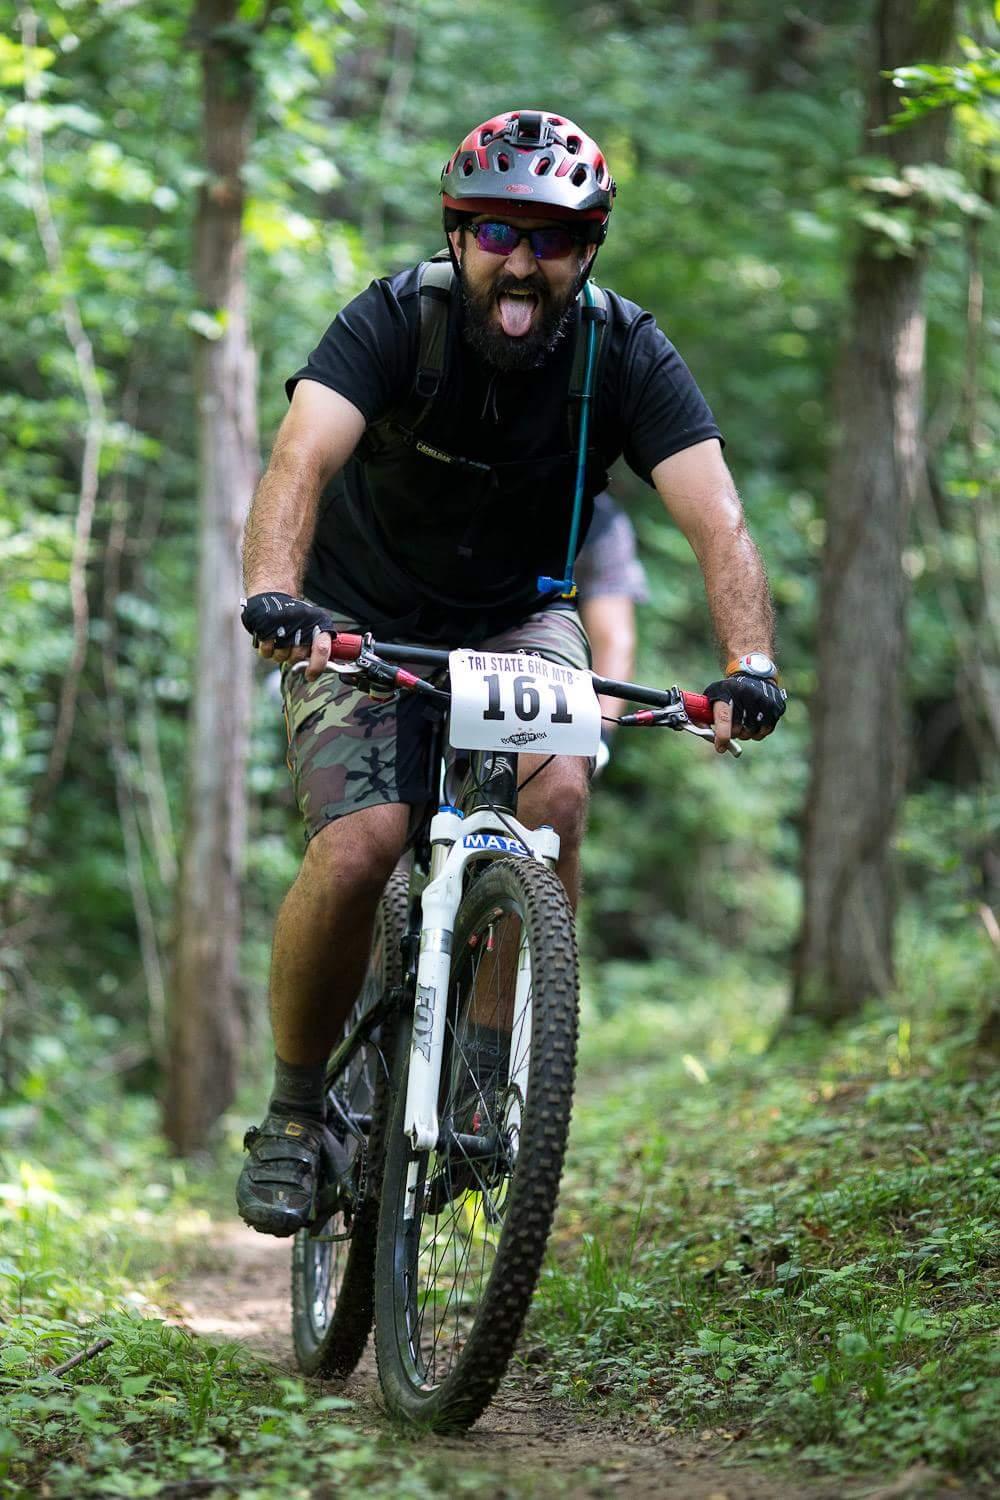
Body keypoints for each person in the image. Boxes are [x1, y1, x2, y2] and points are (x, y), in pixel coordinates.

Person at [236, 109, 785, 1236]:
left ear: (589, 250)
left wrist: (749, 659)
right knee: (360, 849)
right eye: (495, 232)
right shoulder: (393, 320)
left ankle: (485, 1076)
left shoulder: (624, 353)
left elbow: (715, 515)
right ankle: (295, 1114)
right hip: (356, 621)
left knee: (559, 792)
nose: (520, 262)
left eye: (551, 237)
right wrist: (276, 595)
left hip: (517, 622)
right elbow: (299, 458)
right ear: (456, 235)